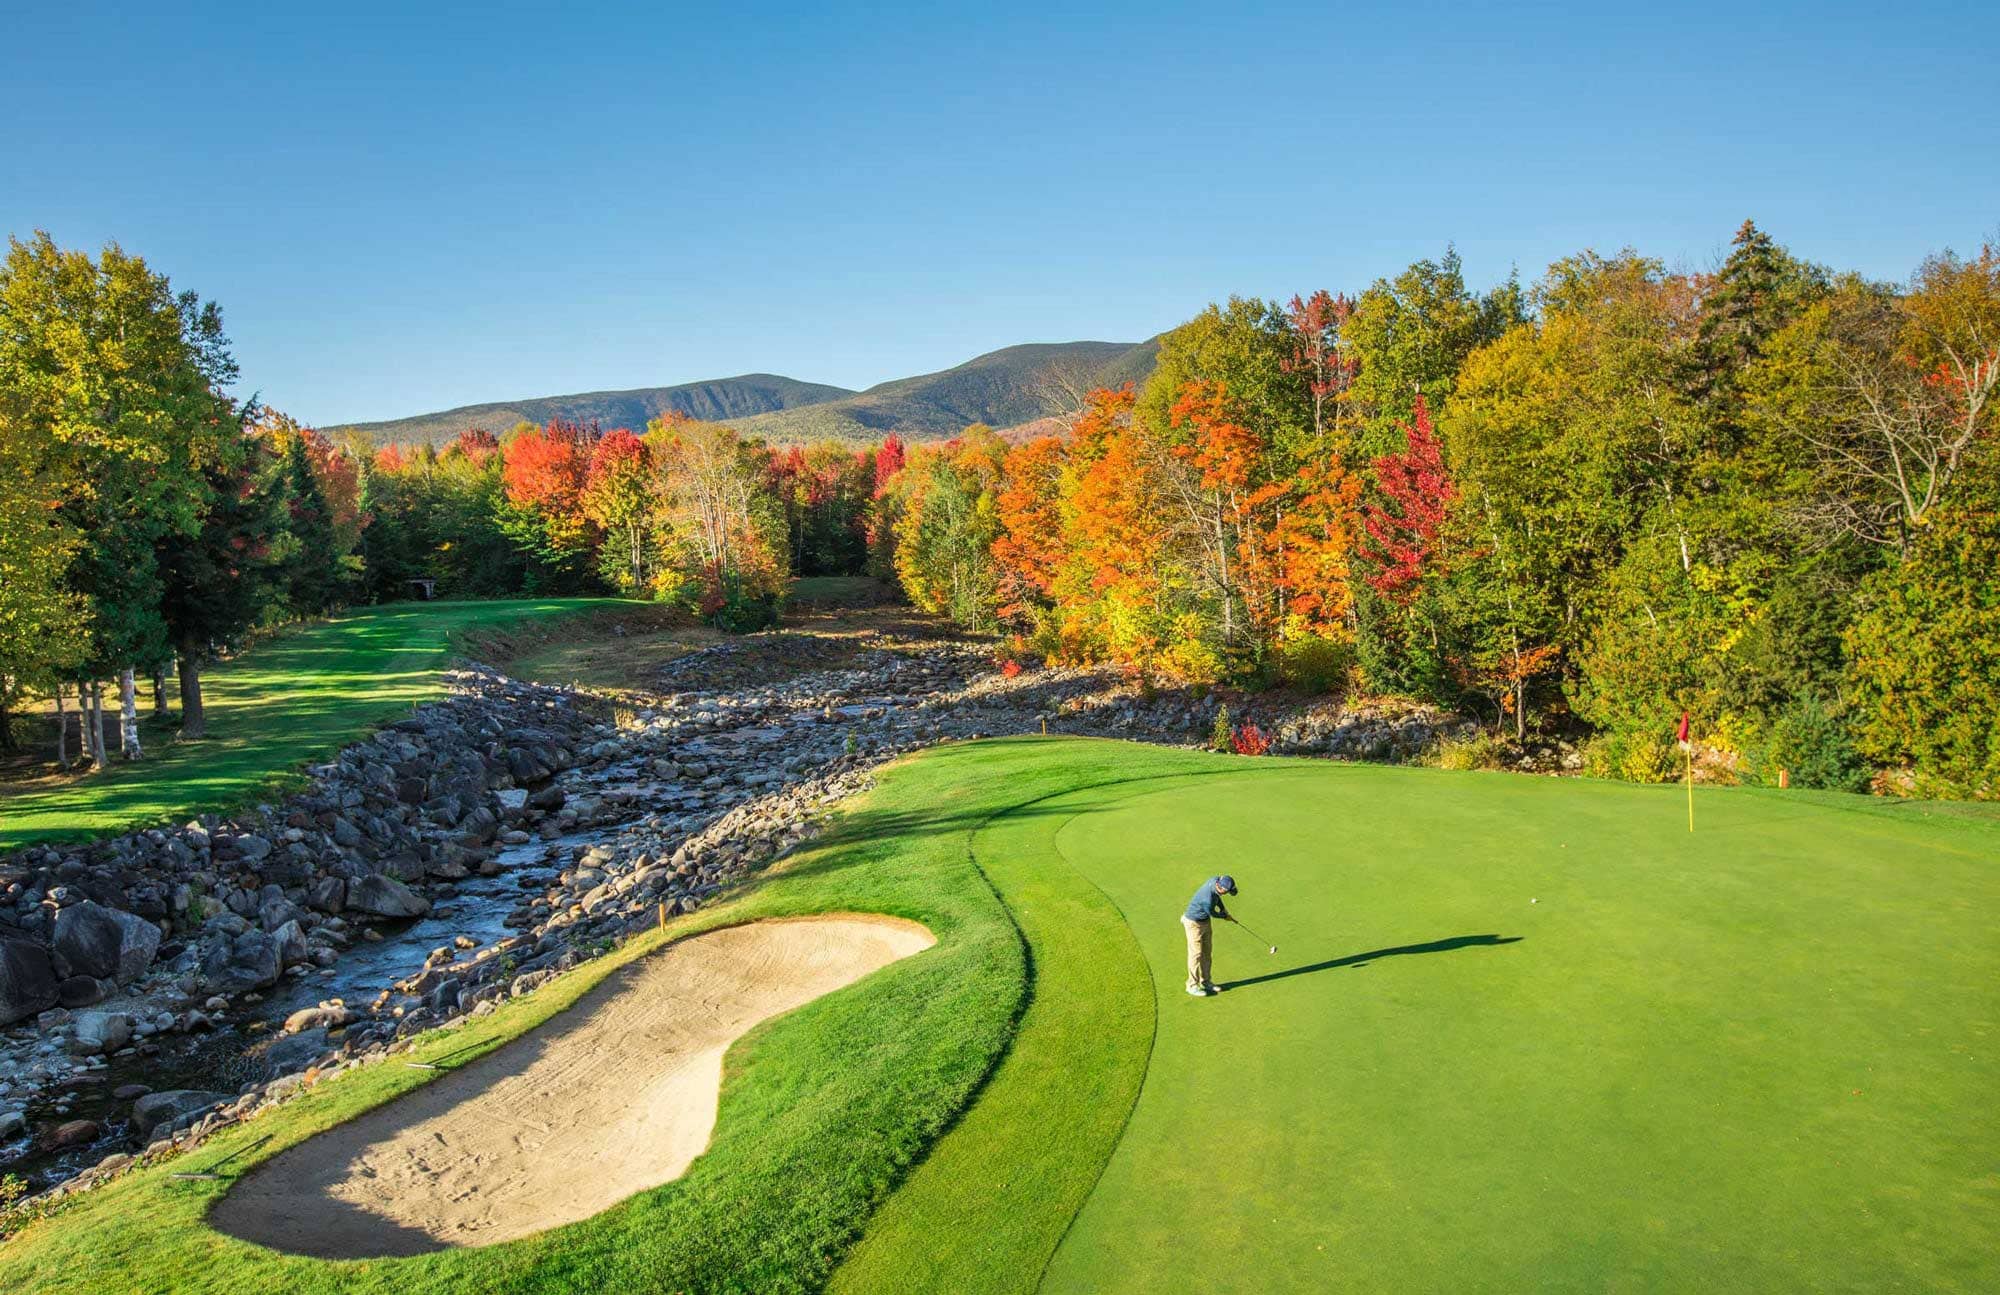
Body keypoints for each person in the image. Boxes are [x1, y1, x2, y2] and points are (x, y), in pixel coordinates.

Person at [1182, 874, 1237, 996]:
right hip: (1193, 923)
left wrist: (1223, 909)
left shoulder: (1216, 880)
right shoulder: (1206, 898)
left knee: (1207, 951)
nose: (1225, 893)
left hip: (1205, 921)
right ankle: (1191, 985)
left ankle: (1206, 981)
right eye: (1225, 891)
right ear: (1219, 886)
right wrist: (1224, 916)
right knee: (1196, 954)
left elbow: (1218, 897)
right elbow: (1213, 913)